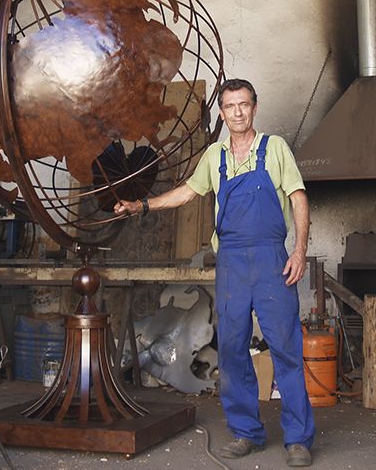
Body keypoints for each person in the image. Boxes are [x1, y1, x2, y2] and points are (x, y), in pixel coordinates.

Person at [114, 78, 315, 467]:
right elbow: (187, 192)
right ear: (222, 113)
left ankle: (298, 439)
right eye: (230, 106)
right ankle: (246, 432)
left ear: (254, 108)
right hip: (232, 264)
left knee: (286, 350)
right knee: (233, 350)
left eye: (244, 104)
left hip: (272, 260)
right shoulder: (214, 156)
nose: (237, 112)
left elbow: (298, 197)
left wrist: (300, 250)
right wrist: (142, 206)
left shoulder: (274, 149)